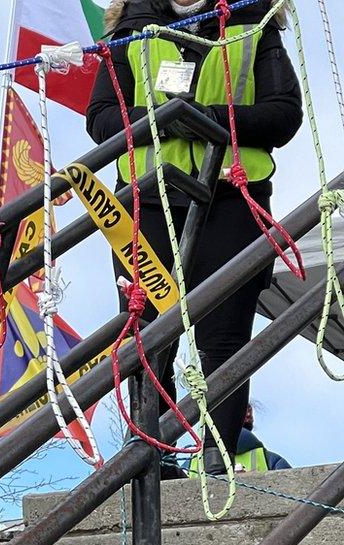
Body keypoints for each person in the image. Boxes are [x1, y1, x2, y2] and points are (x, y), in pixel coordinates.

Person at [87, 0, 302, 476]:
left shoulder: (254, 20)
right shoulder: (129, 30)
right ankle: (150, 460)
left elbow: (284, 114)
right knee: (146, 334)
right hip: (146, 203)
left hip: (231, 198)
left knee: (223, 339)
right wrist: (164, 119)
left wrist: (206, 116)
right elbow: (100, 118)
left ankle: (218, 460)